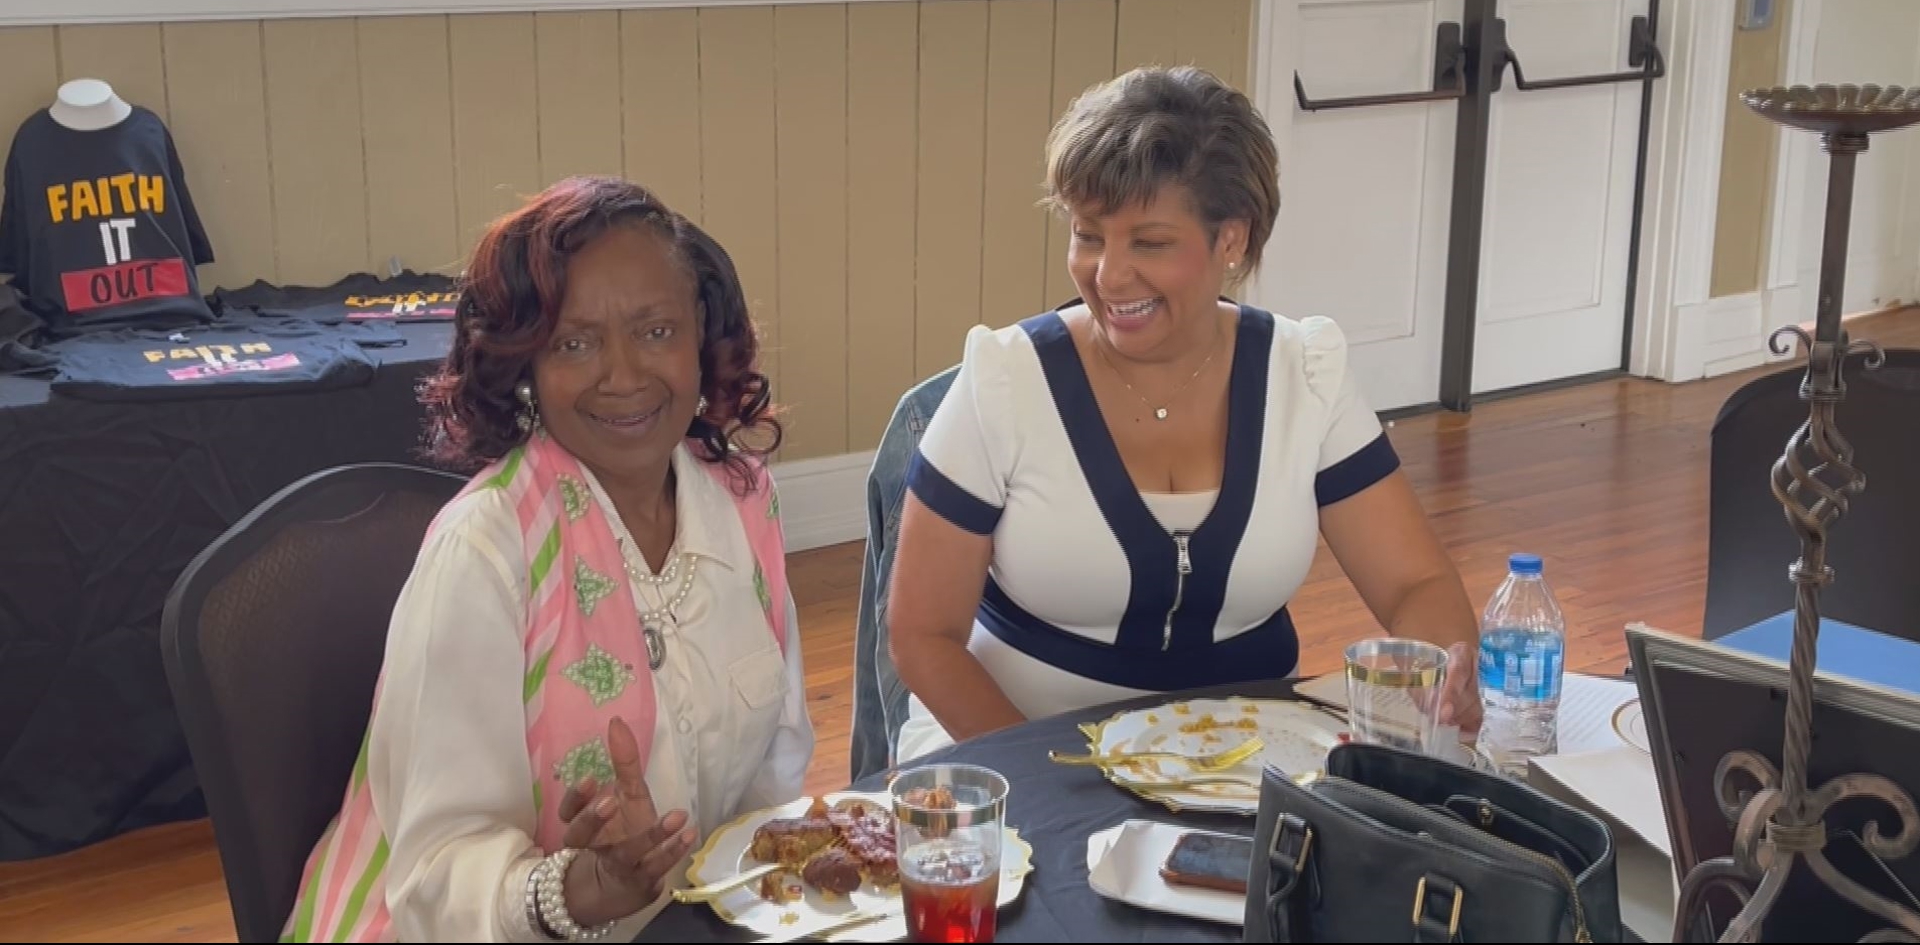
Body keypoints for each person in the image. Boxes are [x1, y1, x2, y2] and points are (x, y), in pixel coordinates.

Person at [886, 66, 1483, 761]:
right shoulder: (1005, 381)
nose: (1107, 275)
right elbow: (920, 634)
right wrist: (1052, 777)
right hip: (1016, 751)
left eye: (1149, 243)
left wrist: (1443, 677)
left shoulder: (1305, 372)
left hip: (1241, 761)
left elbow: (1416, 583)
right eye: (1088, 235)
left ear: (1232, 239)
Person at [284, 176, 813, 942]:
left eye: (656, 331)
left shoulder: (742, 501)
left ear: (702, 333)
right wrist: (580, 889)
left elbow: (776, 767)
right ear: (523, 365)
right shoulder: (487, 553)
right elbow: (434, 880)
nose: (624, 375)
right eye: (574, 343)